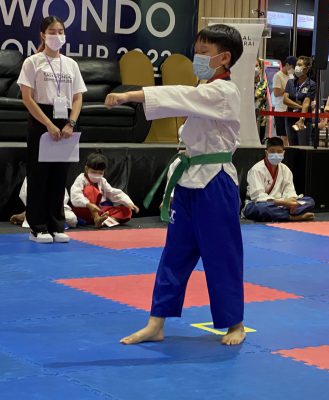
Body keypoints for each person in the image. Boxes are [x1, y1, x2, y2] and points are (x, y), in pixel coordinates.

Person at [105, 24, 245, 346]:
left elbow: (180, 96)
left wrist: (130, 94)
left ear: (224, 58)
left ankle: (235, 323)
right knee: (174, 254)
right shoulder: (204, 87)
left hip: (215, 182)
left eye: (204, 52)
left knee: (221, 255)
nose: (197, 57)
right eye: (196, 51)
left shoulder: (225, 92)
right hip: (188, 180)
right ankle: (156, 323)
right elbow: (186, 101)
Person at [17, 16, 87, 243]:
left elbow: (78, 97)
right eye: (52, 32)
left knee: (59, 175)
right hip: (41, 119)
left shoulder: (71, 64)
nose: (57, 36)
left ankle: (56, 225)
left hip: (66, 120)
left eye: (60, 31)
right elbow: (27, 98)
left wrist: (71, 123)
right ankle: (37, 227)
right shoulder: (32, 62)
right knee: (39, 175)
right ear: (42, 35)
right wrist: (47, 123)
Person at [242, 137, 315, 222]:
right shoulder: (257, 169)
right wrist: (284, 203)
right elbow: (257, 197)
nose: (276, 154)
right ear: (266, 153)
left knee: (309, 201)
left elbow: (290, 191)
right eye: (272, 151)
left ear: (283, 153)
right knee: (262, 208)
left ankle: (281, 214)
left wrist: (292, 202)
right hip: (257, 204)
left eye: (279, 152)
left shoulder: (285, 169)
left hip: (282, 204)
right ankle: (292, 217)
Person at [70, 152, 139, 228]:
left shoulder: (102, 181)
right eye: (93, 172)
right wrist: (88, 204)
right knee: (90, 189)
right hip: (84, 210)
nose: (96, 175)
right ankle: (96, 218)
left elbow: (112, 193)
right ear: (86, 169)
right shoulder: (81, 179)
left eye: (100, 173)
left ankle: (103, 222)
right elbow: (75, 195)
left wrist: (128, 202)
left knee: (126, 211)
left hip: (98, 210)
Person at [10, 177, 77, 228]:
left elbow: (63, 198)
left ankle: (26, 215)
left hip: (55, 209)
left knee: (72, 219)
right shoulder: (33, 174)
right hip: (39, 209)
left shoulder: (57, 174)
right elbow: (28, 197)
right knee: (40, 220)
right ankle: (28, 215)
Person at [283, 56, 316, 146]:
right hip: (290, 118)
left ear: (306, 69)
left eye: (300, 65)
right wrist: (300, 106)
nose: (297, 67)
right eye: (297, 64)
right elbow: (285, 100)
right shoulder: (290, 82)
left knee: (303, 145)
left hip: (304, 119)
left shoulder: (311, 84)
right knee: (292, 145)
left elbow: (306, 103)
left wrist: (302, 119)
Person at [272, 56, 297, 147]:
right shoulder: (278, 76)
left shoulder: (291, 76)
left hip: (290, 109)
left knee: (291, 136)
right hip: (280, 109)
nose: (293, 70)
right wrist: (287, 89)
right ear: (287, 65)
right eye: (292, 67)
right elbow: (276, 93)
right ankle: (285, 152)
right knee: (284, 136)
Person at [254, 58, 267, 143]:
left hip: (261, 119)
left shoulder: (263, 83)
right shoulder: (245, 83)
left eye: (256, 66)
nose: (255, 68)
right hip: (248, 118)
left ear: (260, 68)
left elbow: (257, 94)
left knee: (260, 141)